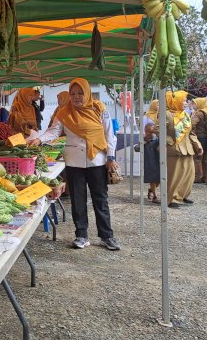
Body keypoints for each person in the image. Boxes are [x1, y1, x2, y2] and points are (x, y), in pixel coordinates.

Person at [30, 78, 120, 251]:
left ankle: (107, 236)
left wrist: (110, 157)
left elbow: (110, 134)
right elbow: (53, 131)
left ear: (87, 93)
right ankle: (81, 235)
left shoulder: (99, 108)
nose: (76, 97)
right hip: (73, 162)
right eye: (72, 94)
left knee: (100, 199)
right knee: (78, 199)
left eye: (80, 93)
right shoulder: (64, 112)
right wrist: (38, 139)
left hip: (97, 161)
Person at [164, 91, 202, 208]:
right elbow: (157, 129)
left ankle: (183, 195)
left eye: (185, 101)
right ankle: (172, 198)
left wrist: (197, 145)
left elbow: (191, 133)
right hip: (174, 149)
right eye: (184, 100)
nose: (186, 103)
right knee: (175, 175)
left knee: (189, 174)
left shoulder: (185, 114)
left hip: (187, 148)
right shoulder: (166, 114)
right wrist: (169, 140)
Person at [191, 97, 207, 183]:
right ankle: (205, 176)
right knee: (205, 159)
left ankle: (197, 177)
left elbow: (192, 124)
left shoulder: (198, 113)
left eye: (195, 103)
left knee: (197, 157)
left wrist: (192, 133)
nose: (193, 105)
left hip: (199, 137)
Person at [142, 99, 160, 203]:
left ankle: (152, 190)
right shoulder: (146, 117)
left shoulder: (161, 116)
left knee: (159, 177)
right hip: (149, 157)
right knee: (152, 176)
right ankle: (155, 196)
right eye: (157, 104)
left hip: (157, 155)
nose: (158, 106)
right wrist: (145, 138)